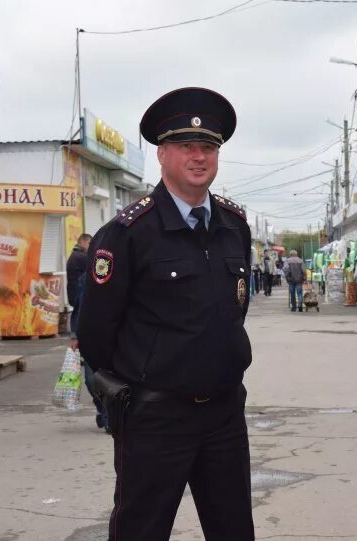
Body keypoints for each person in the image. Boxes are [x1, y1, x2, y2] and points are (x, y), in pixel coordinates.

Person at [77, 87, 254, 541]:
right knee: (141, 531)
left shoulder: (235, 226)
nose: (199, 157)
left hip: (223, 415)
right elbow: (96, 333)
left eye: (208, 147)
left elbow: (234, 310)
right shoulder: (127, 233)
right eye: (185, 146)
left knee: (234, 529)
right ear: (161, 154)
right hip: (155, 418)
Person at [66, 233, 107, 431]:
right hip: (89, 336)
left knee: (112, 378)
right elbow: (78, 308)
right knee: (91, 381)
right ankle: (101, 408)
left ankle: (110, 414)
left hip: (113, 336)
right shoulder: (85, 279)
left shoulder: (117, 274)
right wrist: (74, 335)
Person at [65, 233, 91, 336]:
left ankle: (77, 334)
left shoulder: (75, 255)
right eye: (90, 243)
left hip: (74, 291)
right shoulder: (80, 257)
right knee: (78, 313)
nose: (91, 245)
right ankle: (76, 335)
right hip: (78, 292)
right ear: (83, 242)